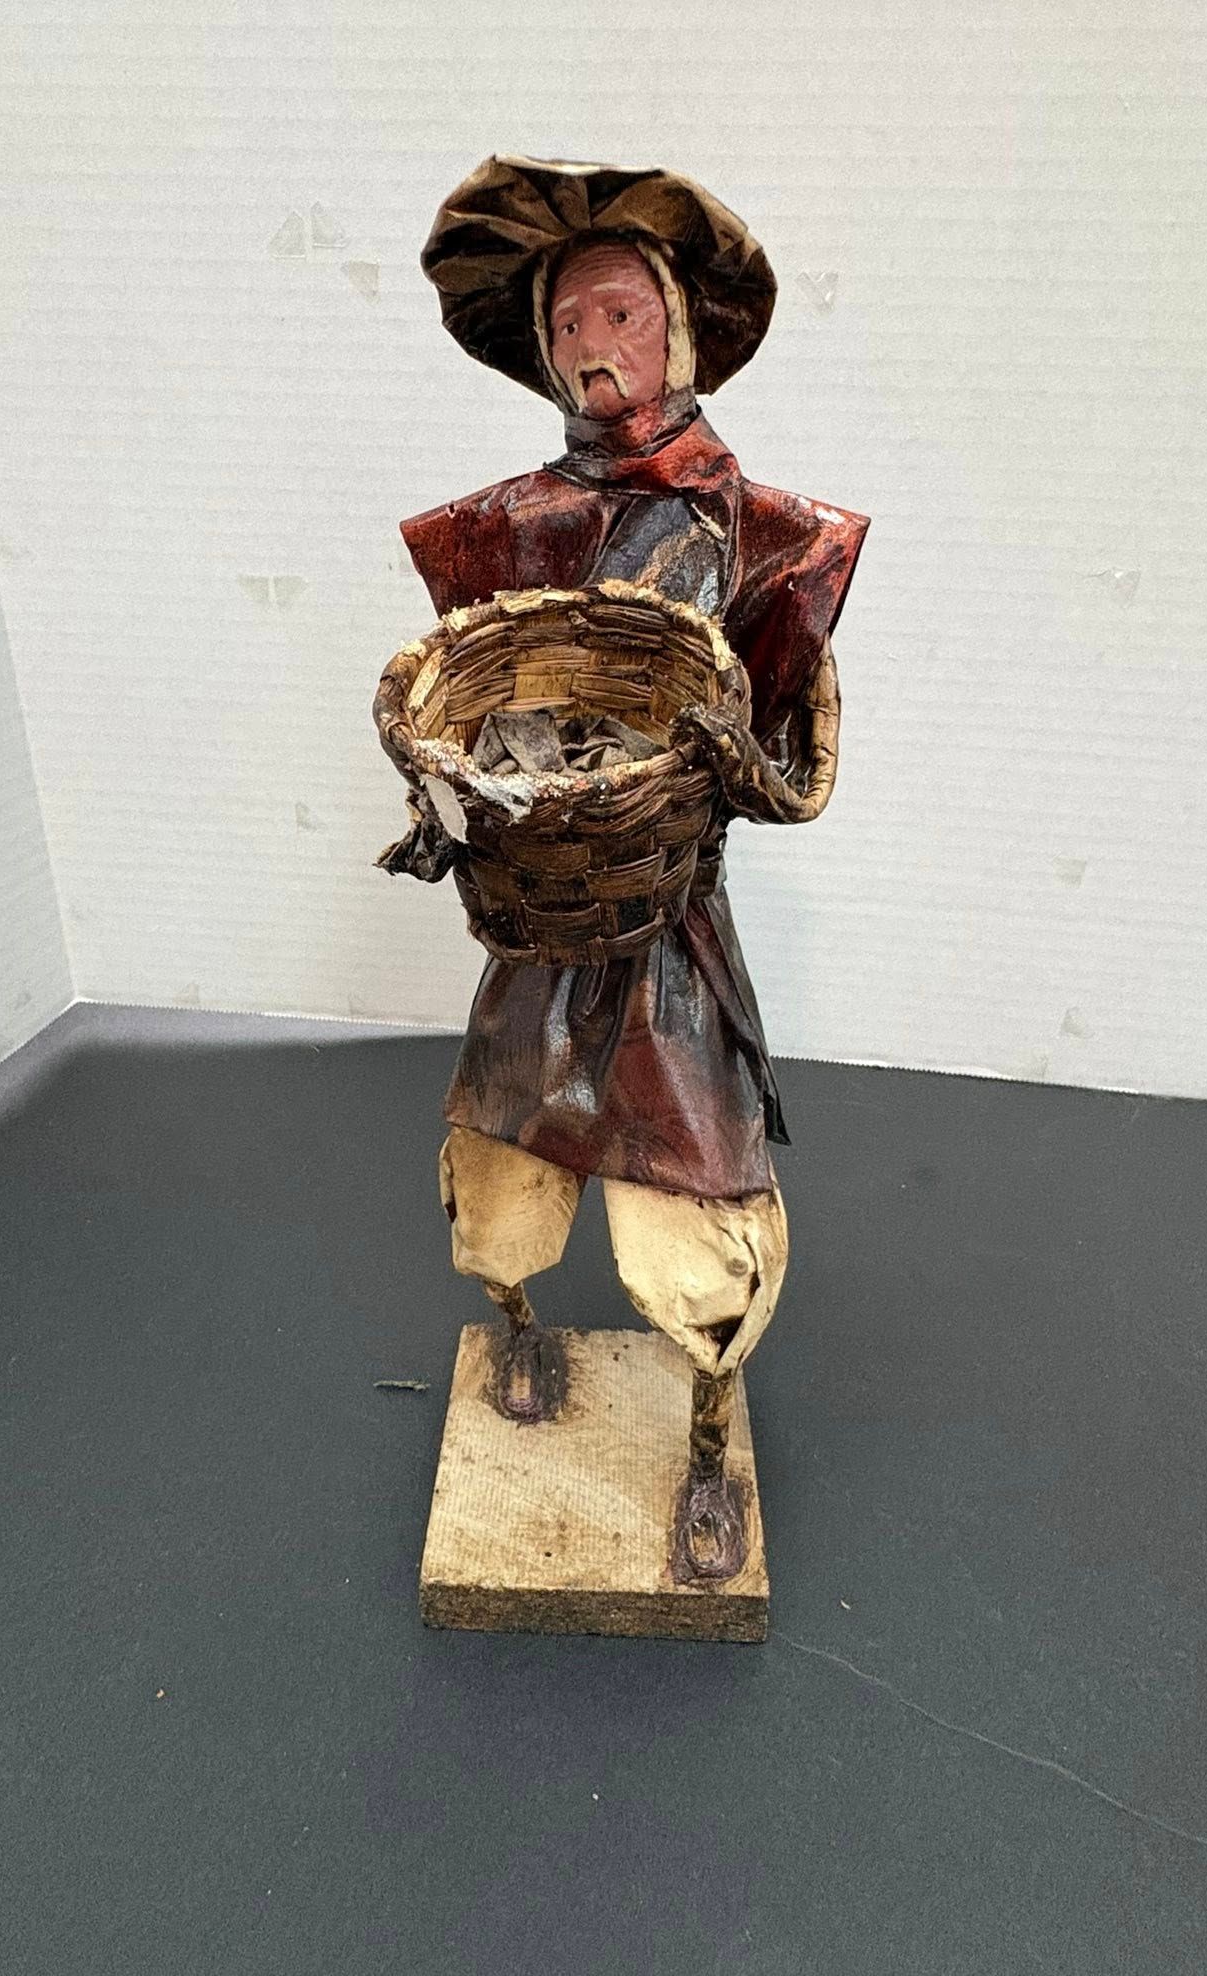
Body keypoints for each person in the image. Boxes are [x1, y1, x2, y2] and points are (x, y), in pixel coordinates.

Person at [384, 157, 868, 1581]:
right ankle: (519, 1331)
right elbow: (470, 707)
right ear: (545, 354)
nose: (598, 347)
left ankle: (710, 1428)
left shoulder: (768, 538)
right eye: (571, 324)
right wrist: (452, 805)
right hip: (540, 924)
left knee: (694, 1197)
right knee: (502, 1160)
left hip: (667, 937)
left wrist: (728, 758)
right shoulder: (503, 528)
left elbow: (798, 773)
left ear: (680, 331)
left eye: (623, 315)